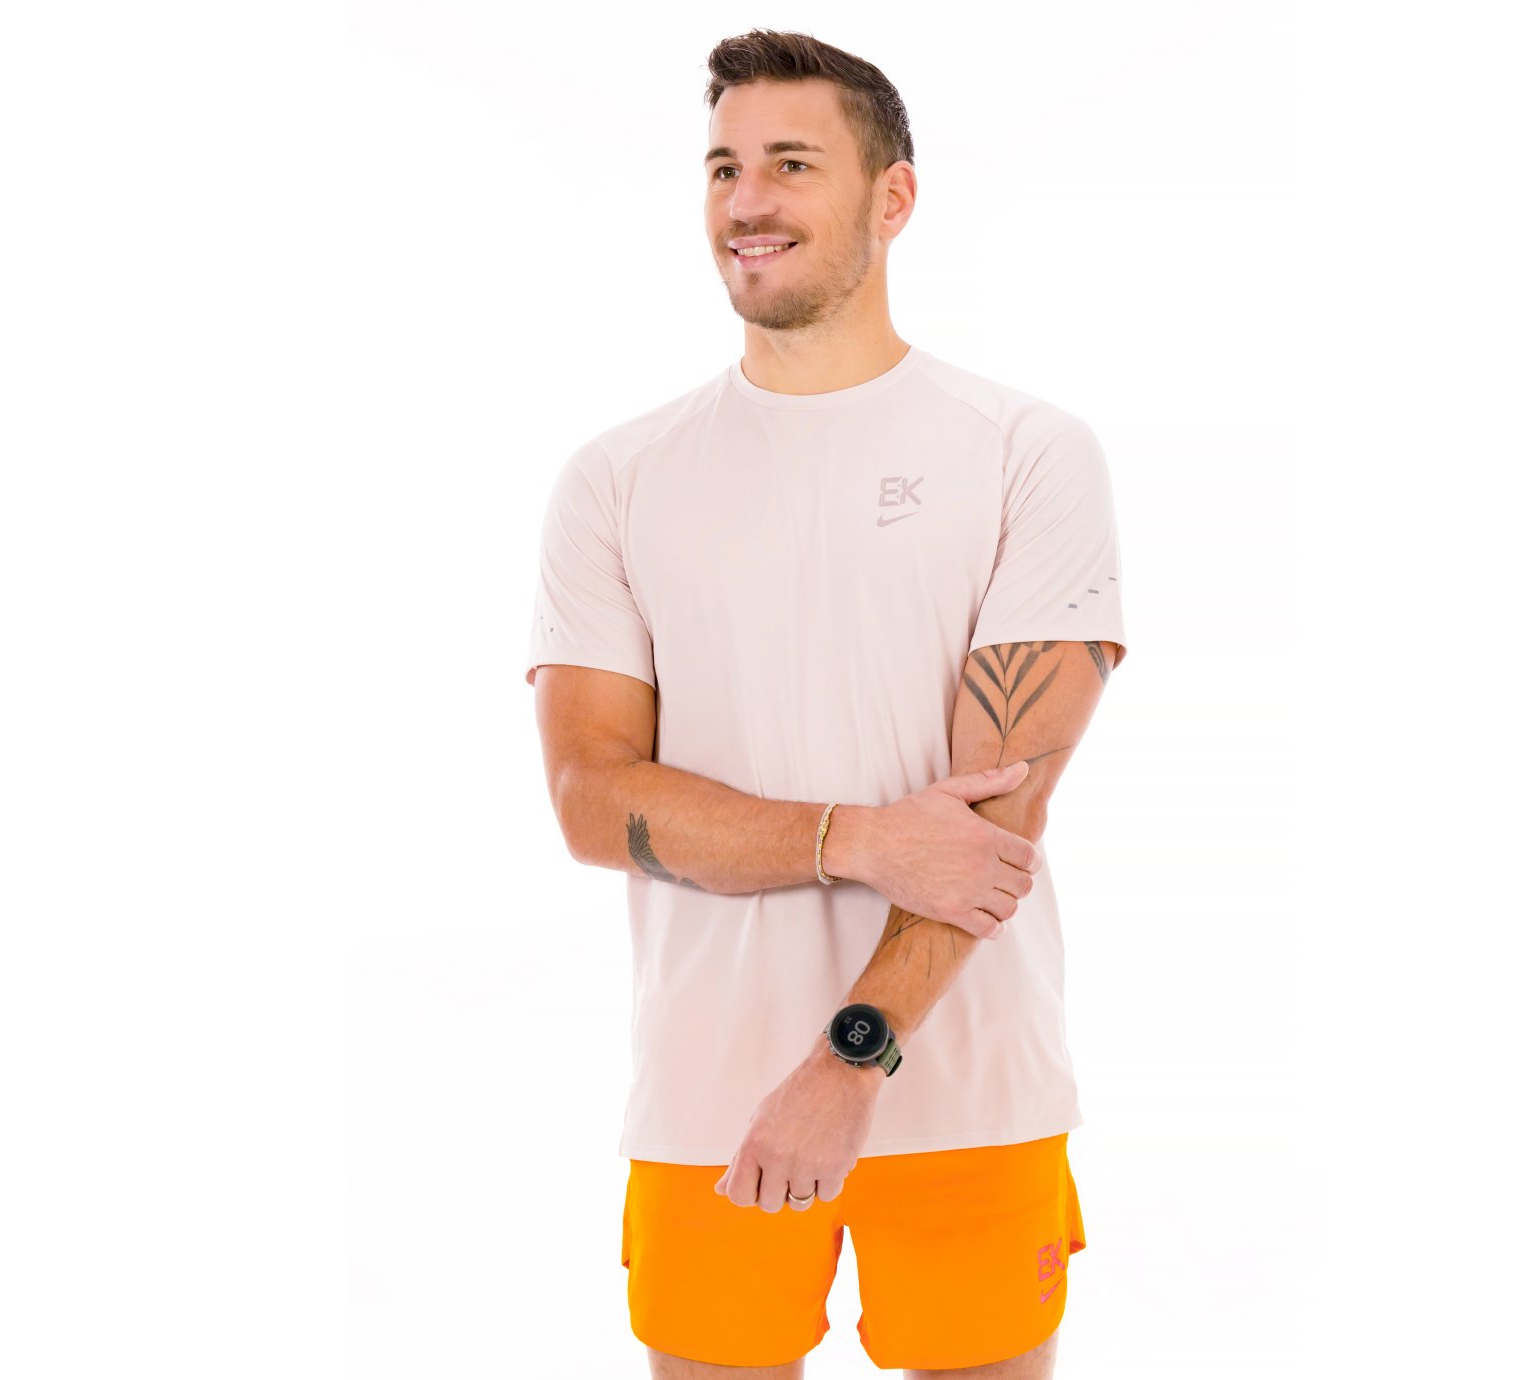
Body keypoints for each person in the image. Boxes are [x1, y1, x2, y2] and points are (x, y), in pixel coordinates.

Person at [524, 28, 1129, 1380]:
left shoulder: (1024, 452)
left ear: (891, 196)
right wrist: (854, 837)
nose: (747, 200)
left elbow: (993, 821)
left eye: (792, 164)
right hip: (707, 1103)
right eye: (723, 167)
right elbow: (589, 799)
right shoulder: (617, 478)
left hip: (972, 1091)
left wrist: (848, 1064)